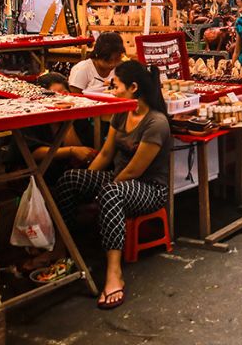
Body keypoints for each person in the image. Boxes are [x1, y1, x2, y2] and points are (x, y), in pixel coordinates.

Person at [54, 61, 171, 309]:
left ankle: (114, 273)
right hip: (119, 180)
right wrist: (86, 182)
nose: (111, 90)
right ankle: (63, 248)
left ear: (133, 87)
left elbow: (133, 170)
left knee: (111, 193)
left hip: (149, 189)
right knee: (70, 179)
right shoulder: (121, 111)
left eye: (115, 85)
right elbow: (106, 155)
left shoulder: (156, 122)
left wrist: (99, 197)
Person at [31, 73, 96, 165]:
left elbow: (82, 153)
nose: (62, 98)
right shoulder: (31, 116)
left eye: (65, 93)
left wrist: (67, 119)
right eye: (54, 95)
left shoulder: (77, 114)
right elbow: (33, 153)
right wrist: (71, 151)